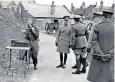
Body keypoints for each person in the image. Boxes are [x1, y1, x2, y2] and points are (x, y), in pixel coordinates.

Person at [87, 9, 114, 82]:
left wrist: (101, 54)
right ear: (112, 16)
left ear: (103, 15)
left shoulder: (97, 26)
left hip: (98, 56)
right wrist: (110, 54)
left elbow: (94, 41)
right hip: (111, 57)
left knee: (97, 77)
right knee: (109, 77)